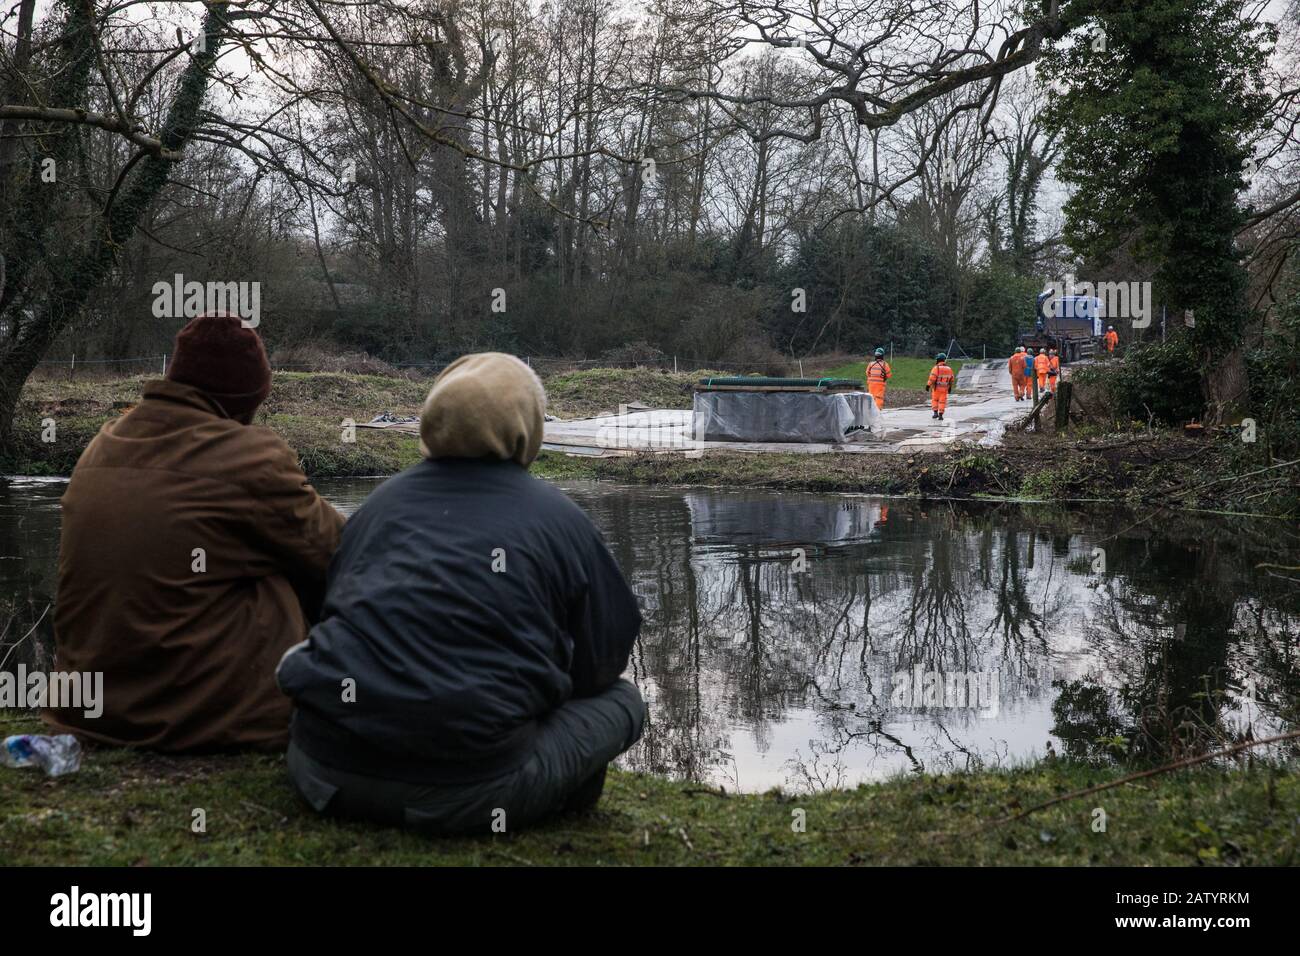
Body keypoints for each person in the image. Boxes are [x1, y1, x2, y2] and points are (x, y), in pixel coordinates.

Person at [277, 352, 646, 835]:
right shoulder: (562, 519)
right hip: (468, 793)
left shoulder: (377, 507)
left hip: (322, 773)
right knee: (623, 701)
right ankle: (557, 800)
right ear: (528, 427)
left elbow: (333, 611)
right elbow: (602, 662)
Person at [44, 314, 344, 752]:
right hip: (200, 719)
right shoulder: (249, 455)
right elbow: (341, 551)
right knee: (294, 560)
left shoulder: (104, 443)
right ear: (249, 397)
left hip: (89, 714)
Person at [926, 352, 956, 421]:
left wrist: (928, 385)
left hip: (936, 389)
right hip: (944, 389)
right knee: (942, 402)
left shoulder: (936, 368)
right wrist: (950, 387)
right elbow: (951, 379)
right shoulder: (949, 369)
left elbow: (932, 378)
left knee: (935, 400)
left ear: (938, 360)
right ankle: (940, 415)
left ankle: (935, 413)